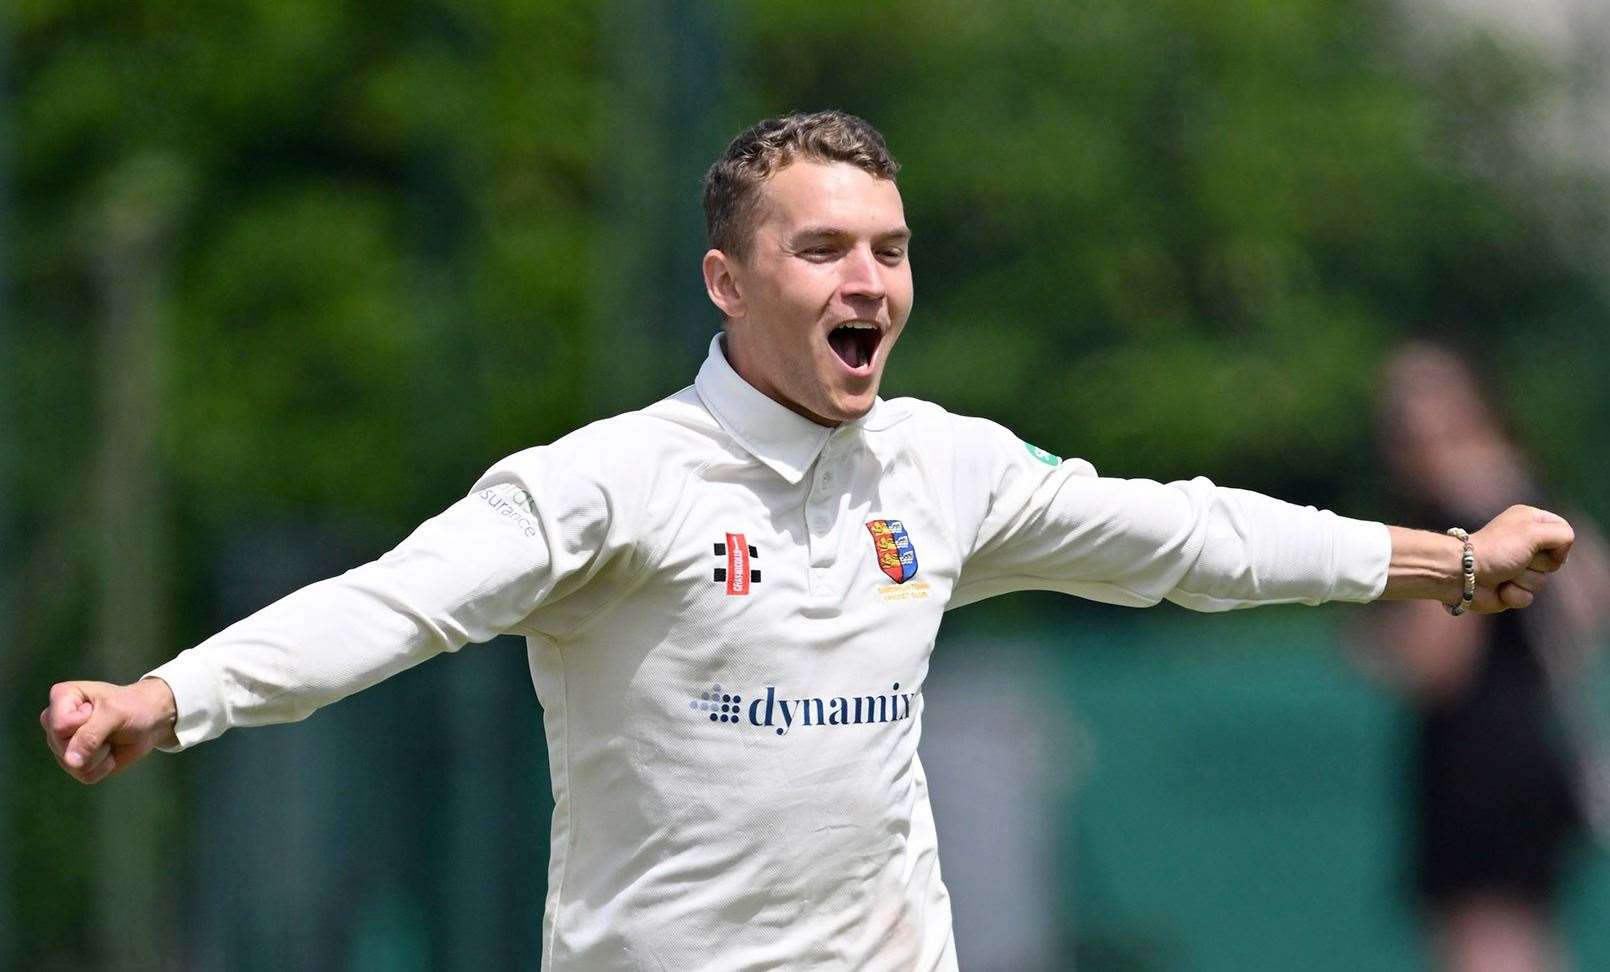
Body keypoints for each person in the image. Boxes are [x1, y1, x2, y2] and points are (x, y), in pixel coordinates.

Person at [42, 111, 1576, 970]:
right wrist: (168, 698)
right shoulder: (610, 485)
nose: (870, 278)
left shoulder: (944, 466)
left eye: (891, 248)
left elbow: (1187, 537)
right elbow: (396, 605)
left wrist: (1444, 561)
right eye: (825, 247)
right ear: (726, 281)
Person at [1360, 342, 1610, 972]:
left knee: (1487, 945)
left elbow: (1436, 664)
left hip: (1479, 766)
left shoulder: (1459, 517)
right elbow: (1588, 605)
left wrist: (1381, 642)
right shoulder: (1518, 496)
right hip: (1530, 749)